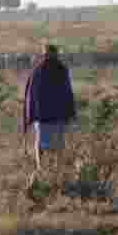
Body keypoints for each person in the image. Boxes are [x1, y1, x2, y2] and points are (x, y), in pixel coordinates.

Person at [22, 43, 77, 186]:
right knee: (47, 144)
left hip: (50, 115)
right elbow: (32, 93)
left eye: (48, 54)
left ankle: (52, 170)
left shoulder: (54, 70)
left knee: (54, 144)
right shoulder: (40, 70)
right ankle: (43, 169)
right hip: (47, 116)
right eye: (47, 54)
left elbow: (66, 92)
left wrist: (31, 114)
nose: (48, 57)